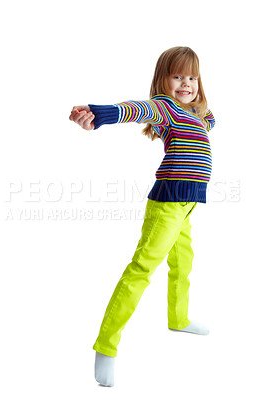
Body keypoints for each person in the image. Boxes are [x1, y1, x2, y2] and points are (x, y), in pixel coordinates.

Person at [69, 46, 216, 387]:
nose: (186, 83)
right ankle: (106, 346)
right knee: (142, 270)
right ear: (163, 81)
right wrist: (98, 115)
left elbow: (209, 117)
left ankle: (179, 319)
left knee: (184, 263)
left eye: (192, 77)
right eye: (177, 76)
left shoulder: (197, 116)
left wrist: (204, 112)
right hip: (167, 204)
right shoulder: (166, 108)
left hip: (189, 204)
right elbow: (137, 109)